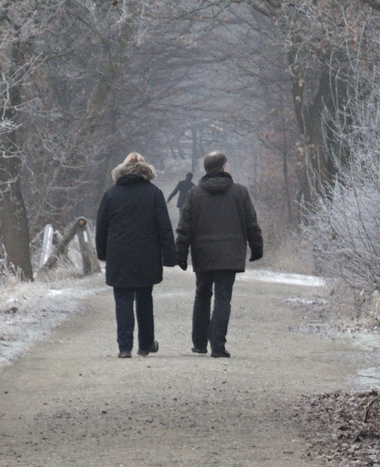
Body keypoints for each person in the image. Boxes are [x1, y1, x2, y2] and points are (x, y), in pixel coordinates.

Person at [173, 150, 263, 358]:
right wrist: (256, 248)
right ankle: (218, 346)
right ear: (224, 167)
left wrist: (181, 253)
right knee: (223, 298)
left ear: (206, 169)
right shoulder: (240, 192)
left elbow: (184, 226)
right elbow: (251, 223)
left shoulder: (195, 194)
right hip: (230, 253)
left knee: (202, 295)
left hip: (203, 253)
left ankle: (199, 343)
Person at [93, 152, 177, 358]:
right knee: (144, 299)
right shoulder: (154, 193)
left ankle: (124, 347)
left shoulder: (111, 194)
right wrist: (170, 256)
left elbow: (101, 228)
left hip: (118, 255)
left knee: (122, 300)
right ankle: (146, 344)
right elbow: (164, 227)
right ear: (145, 169)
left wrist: (102, 254)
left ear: (122, 168)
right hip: (147, 255)